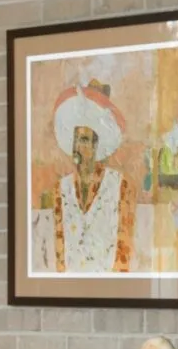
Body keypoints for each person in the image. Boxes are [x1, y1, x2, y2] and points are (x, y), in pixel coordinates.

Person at [31, 80, 137, 273]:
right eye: (77, 139)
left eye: (85, 140)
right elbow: (60, 250)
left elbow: (124, 249)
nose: (78, 146)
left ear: (96, 146)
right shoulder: (61, 189)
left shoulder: (119, 185)